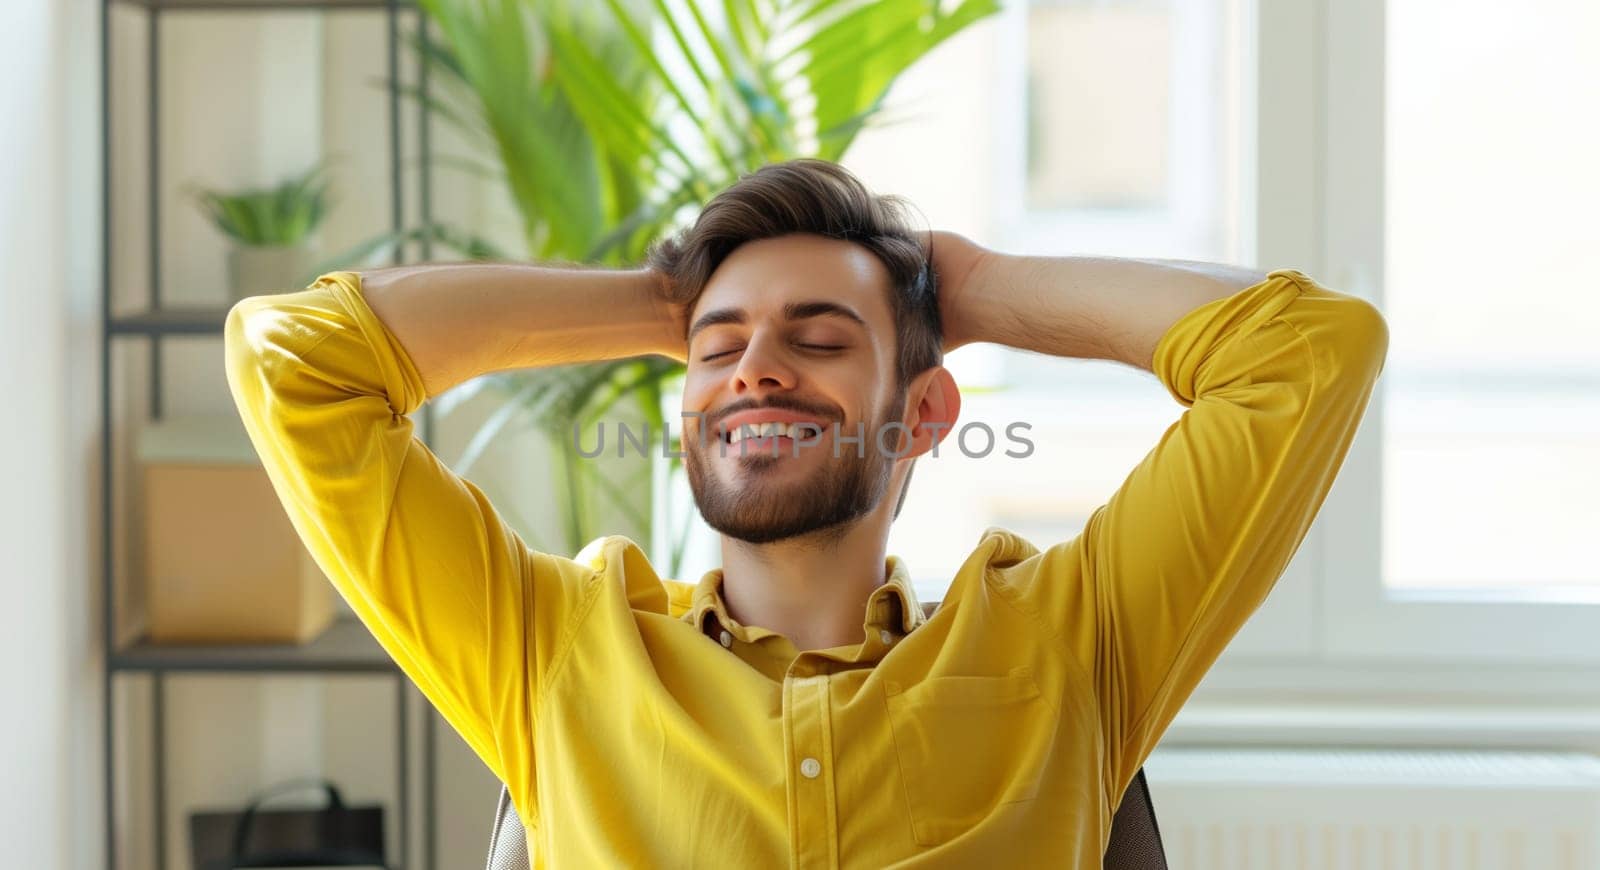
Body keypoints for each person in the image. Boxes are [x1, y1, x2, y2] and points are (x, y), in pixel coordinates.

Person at [223, 158, 1388, 867]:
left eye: (821, 339)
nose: (755, 371)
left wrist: (967, 287)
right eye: (716, 352)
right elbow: (293, 363)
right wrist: (656, 298)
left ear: (925, 413)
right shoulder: (552, 647)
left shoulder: (1071, 640)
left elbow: (1310, 353)